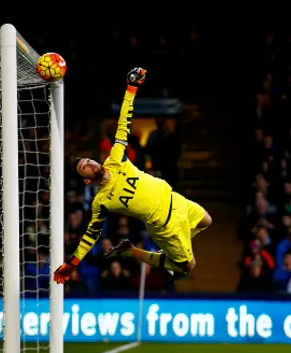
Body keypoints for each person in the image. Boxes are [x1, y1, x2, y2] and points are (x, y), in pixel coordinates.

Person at [53, 68, 212, 284]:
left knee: (206, 221)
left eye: (88, 160)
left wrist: (131, 89)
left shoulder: (115, 159)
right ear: (87, 179)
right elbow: (91, 236)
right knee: (188, 266)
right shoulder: (102, 202)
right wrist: (72, 263)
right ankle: (133, 252)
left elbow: (123, 124)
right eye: (84, 167)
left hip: (175, 200)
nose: (90, 163)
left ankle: (169, 249)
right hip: (165, 224)